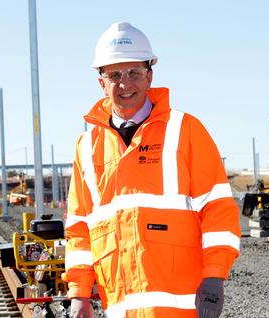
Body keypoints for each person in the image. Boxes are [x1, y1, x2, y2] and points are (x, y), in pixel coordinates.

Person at [64, 22, 241, 318]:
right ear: (101, 83)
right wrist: (79, 293)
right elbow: (79, 228)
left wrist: (214, 275)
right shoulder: (86, 147)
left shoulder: (185, 130)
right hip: (119, 309)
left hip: (181, 309)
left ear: (150, 77)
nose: (125, 84)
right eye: (115, 75)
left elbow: (218, 209)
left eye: (134, 72)